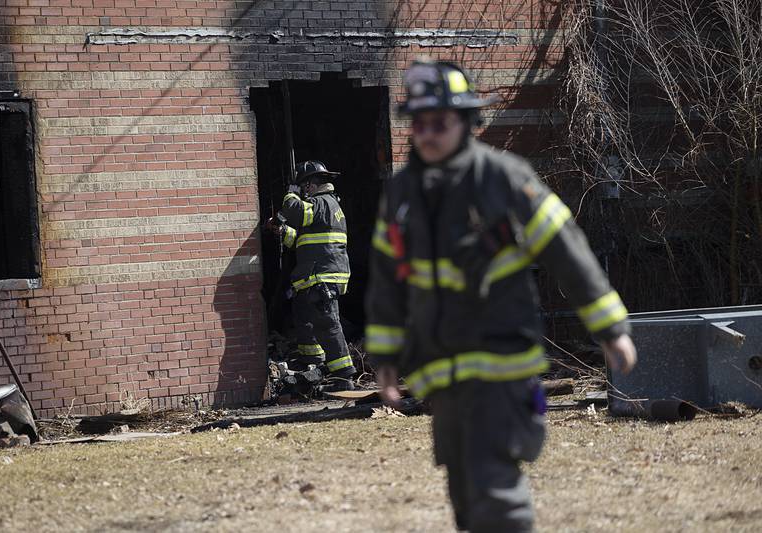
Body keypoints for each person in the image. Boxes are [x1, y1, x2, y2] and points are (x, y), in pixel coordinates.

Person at [364, 59, 637, 532]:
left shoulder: (504, 179)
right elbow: (388, 281)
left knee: (496, 492)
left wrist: (610, 329)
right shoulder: (403, 193)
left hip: (502, 365)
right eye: (420, 123)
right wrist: (386, 357)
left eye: (441, 124)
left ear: (469, 123)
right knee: (466, 496)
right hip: (442, 373)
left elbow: (566, 250)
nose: (427, 134)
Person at [267, 160, 357, 390]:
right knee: (307, 320)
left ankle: (343, 376)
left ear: (309, 186)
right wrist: (282, 230)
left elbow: (296, 213)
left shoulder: (322, 202)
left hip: (323, 276)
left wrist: (290, 194)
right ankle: (314, 365)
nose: (302, 192)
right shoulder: (324, 206)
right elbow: (301, 241)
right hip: (316, 275)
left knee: (327, 324)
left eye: (303, 187)